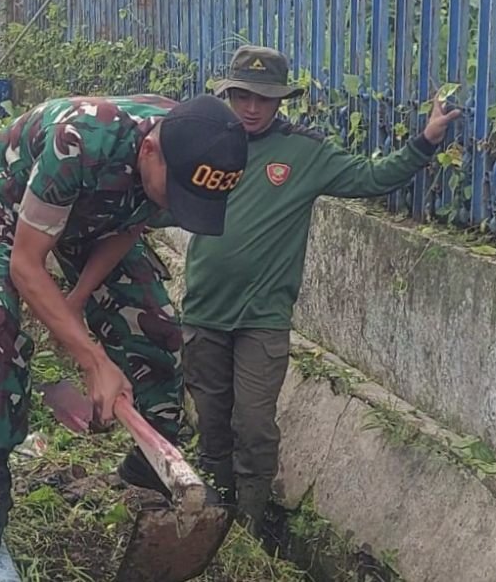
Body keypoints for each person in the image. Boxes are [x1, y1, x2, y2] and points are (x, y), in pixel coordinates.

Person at [181, 45, 463, 537]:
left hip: (262, 318)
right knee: (211, 423)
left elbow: (371, 177)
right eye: (243, 96)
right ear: (228, 95)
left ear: (281, 101)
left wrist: (425, 141)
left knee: (255, 425)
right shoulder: (206, 142)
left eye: (264, 99)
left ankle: (248, 525)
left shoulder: (305, 154)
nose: (252, 108)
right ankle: (214, 517)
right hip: (204, 311)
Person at [0, 94, 249, 558]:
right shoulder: (81, 139)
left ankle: (151, 466)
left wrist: (75, 302)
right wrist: (93, 361)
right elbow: (27, 264)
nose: (177, 206)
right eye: (175, 195)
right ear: (149, 150)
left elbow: (129, 223)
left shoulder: (191, 151)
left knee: (157, 328)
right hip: (5, 202)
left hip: (93, 216)